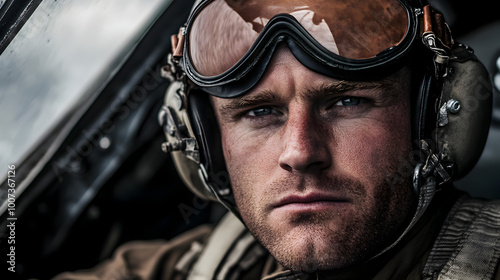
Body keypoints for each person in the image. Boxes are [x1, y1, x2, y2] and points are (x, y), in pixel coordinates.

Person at [54, 0, 500, 279]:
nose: (299, 152)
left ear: (435, 121)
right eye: (259, 112)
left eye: (346, 104)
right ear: (202, 145)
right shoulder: (206, 262)